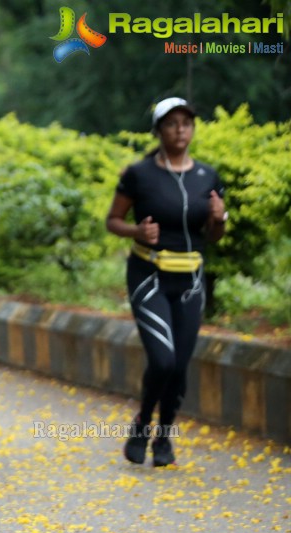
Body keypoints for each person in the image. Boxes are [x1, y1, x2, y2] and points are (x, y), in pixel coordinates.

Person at [106, 97, 226, 467]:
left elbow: (215, 235)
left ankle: (164, 438)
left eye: (186, 123)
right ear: (158, 130)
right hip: (150, 276)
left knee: (180, 365)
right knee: (163, 360)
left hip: (191, 280)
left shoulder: (208, 177)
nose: (180, 130)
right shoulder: (139, 174)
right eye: (172, 123)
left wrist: (219, 219)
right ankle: (142, 423)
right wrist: (137, 231)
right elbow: (113, 220)